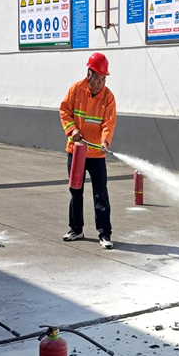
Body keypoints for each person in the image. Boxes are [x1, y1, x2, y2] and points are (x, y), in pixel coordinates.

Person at [59, 53, 116, 249]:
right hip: (76, 152)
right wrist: (72, 130)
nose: (100, 83)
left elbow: (109, 123)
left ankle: (105, 234)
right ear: (89, 74)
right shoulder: (76, 89)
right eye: (97, 78)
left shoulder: (108, 97)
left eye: (103, 79)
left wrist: (105, 141)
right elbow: (64, 111)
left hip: (97, 155)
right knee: (75, 191)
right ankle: (76, 229)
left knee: (101, 194)